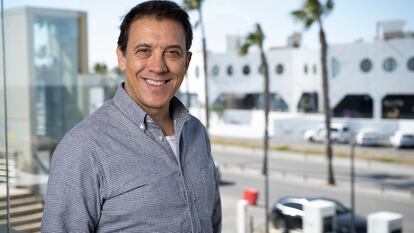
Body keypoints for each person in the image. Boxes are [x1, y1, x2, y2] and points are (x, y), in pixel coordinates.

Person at [41, 1, 222, 232]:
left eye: (172, 53)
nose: (158, 66)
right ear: (122, 57)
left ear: (186, 62)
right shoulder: (82, 149)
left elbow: (213, 221)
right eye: (144, 50)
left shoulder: (196, 132)